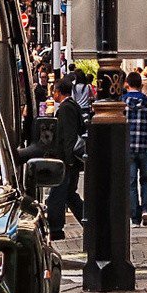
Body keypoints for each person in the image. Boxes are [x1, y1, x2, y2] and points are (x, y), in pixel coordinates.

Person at [44, 75, 87, 241]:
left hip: (66, 160)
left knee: (57, 195)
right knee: (69, 194)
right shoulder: (72, 106)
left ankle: (56, 228)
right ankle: (89, 222)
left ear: (58, 92)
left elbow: (68, 135)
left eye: (54, 91)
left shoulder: (66, 108)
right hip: (69, 160)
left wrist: (68, 160)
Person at [123, 71, 147, 227]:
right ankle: (145, 210)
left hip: (128, 147)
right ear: (140, 85)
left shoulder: (122, 103)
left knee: (131, 182)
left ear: (127, 84)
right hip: (146, 147)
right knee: (146, 180)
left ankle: (134, 217)